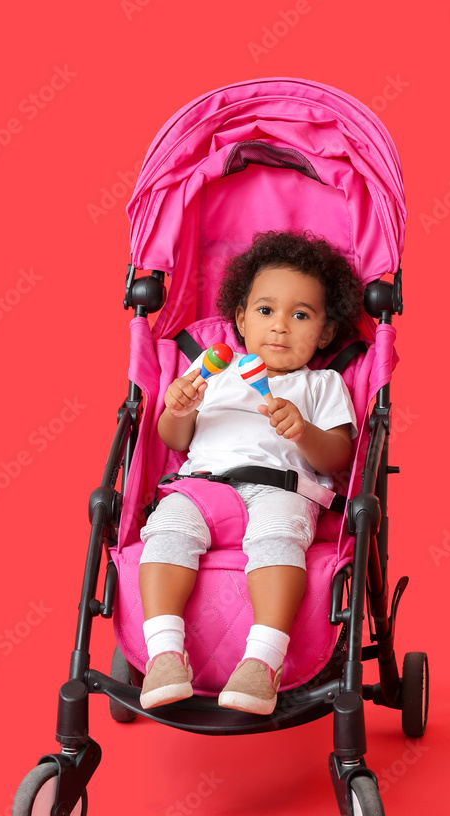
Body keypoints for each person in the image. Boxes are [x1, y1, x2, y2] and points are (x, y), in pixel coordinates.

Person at [138, 230, 363, 714]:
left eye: (300, 315)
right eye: (265, 311)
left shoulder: (322, 384)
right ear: (240, 319)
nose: (279, 327)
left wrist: (304, 432)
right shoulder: (212, 369)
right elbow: (175, 440)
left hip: (280, 488)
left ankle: (262, 661)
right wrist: (178, 407)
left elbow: (339, 457)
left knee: (278, 538)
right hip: (203, 486)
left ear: (325, 333)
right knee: (167, 530)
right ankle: (164, 655)